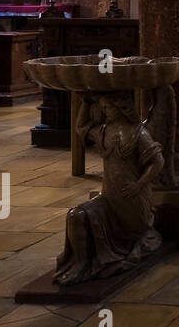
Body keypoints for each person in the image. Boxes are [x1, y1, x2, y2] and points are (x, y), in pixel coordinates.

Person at [54, 91, 165, 285]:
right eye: (103, 107)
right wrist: (86, 103)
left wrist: (139, 185)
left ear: (122, 107)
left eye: (108, 107)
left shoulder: (139, 132)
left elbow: (158, 161)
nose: (104, 111)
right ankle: (81, 263)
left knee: (123, 228)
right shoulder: (104, 131)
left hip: (132, 202)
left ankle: (93, 259)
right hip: (109, 197)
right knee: (75, 215)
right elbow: (81, 128)